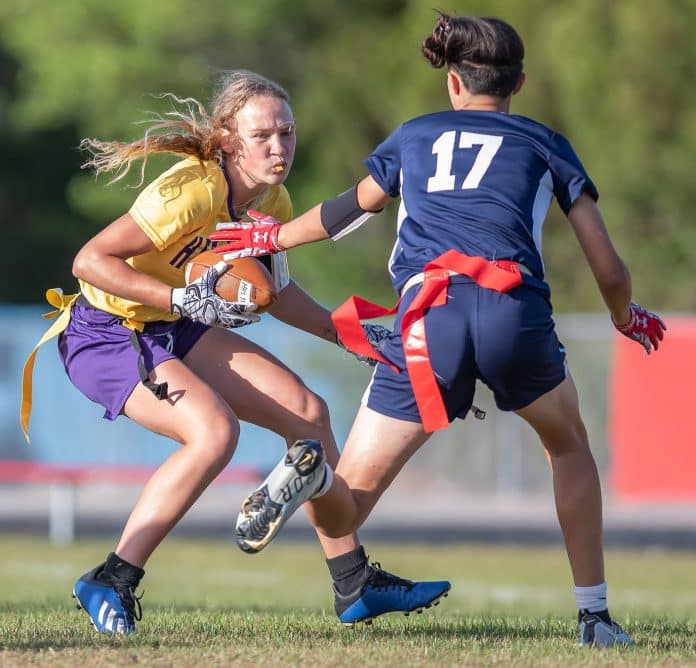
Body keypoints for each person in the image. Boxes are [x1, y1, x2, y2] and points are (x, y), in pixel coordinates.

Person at [210, 18, 667, 647]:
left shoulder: (415, 136)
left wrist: (271, 235)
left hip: (428, 319)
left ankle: (312, 478)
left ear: (452, 81)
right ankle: (594, 617)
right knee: (569, 448)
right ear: (520, 83)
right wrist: (625, 315)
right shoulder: (544, 143)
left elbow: (350, 210)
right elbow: (607, 265)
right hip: (512, 312)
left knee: (350, 501)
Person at [22, 70, 450, 634]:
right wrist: (180, 296)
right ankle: (112, 578)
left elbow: (274, 291)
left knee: (309, 413)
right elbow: (90, 261)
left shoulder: (272, 198)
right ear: (227, 140)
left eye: (288, 133)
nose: (280, 147)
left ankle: (354, 584)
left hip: (173, 322)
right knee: (214, 434)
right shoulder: (191, 190)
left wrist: (344, 334)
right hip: (106, 330)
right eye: (263, 136)